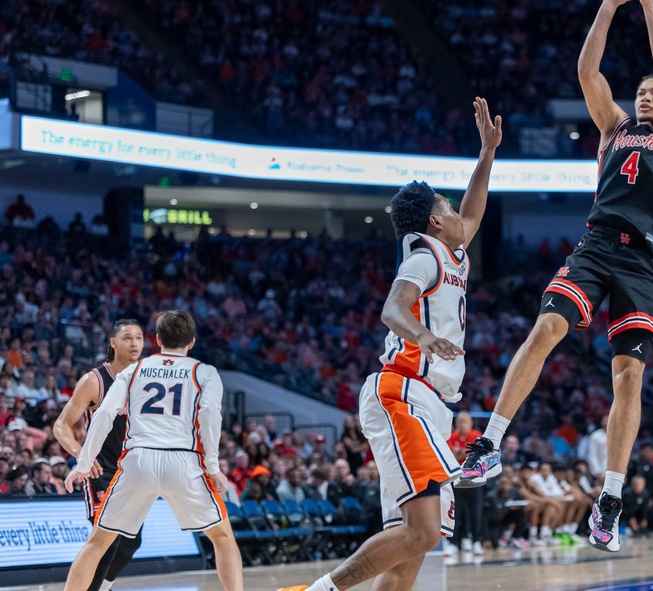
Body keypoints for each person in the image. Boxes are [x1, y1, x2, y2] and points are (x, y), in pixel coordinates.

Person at [460, 0, 653, 555]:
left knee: (627, 375)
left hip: (643, 265)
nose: (647, 96)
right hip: (596, 247)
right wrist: (609, 4)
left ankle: (610, 498)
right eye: (640, 92)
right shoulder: (614, 127)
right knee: (545, 327)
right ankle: (490, 443)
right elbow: (586, 69)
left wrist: (647, 6)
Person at [278, 97, 501, 591]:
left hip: (431, 403)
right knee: (421, 532)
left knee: (414, 546)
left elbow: (474, 209)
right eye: (447, 207)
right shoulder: (424, 257)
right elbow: (392, 308)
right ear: (436, 222)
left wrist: (486, 154)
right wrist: (423, 335)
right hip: (402, 392)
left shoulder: (453, 251)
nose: (458, 213)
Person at [62, 310, 242, 591]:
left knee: (98, 543)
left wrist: (83, 463)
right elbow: (209, 416)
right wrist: (214, 466)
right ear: (192, 342)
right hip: (183, 460)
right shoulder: (204, 372)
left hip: (137, 460)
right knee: (222, 538)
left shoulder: (134, 370)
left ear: (157, 339)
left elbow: (103, 415)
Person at [53, 319, 145, 591]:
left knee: (131, 542)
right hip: (101, 471)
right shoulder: (95, 380)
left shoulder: (144, 381)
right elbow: (61, 425)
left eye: (139, 338)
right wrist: (83, 455)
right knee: (108, 542)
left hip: (133, 475)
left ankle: (103, 588)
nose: (134, 343)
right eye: (127, 337)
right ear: (113, 342)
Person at [448, 411, 484, 554]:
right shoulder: (451, 436)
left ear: (470, 423)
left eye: (464, 421)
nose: (461, 424)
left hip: (474, 478)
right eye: (459, 421)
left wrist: (460, 452)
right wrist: (467, 451)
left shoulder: (476, 436)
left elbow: (478, 453)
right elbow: (449, 453)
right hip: (456, 478)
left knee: (476, 511)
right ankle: (453, 542)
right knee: (455, 511)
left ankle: (476, 541)